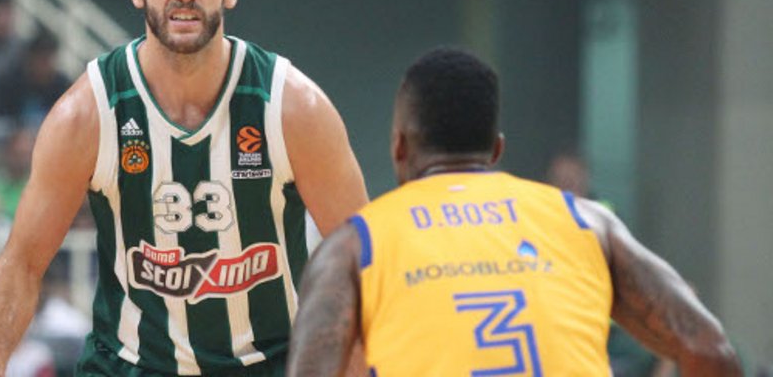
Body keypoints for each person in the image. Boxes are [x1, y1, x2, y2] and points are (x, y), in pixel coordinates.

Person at [0, 0, 368, 376]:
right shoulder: (88, 114)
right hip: (129, 366)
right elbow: (23, 260)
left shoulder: (292, 107)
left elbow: (363, 261)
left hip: (268, 364)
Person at [286, 49, 741, 376]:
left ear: (400, 148)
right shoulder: (586, 222)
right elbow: (711, 350)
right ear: (497, 150)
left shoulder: (353, 246)